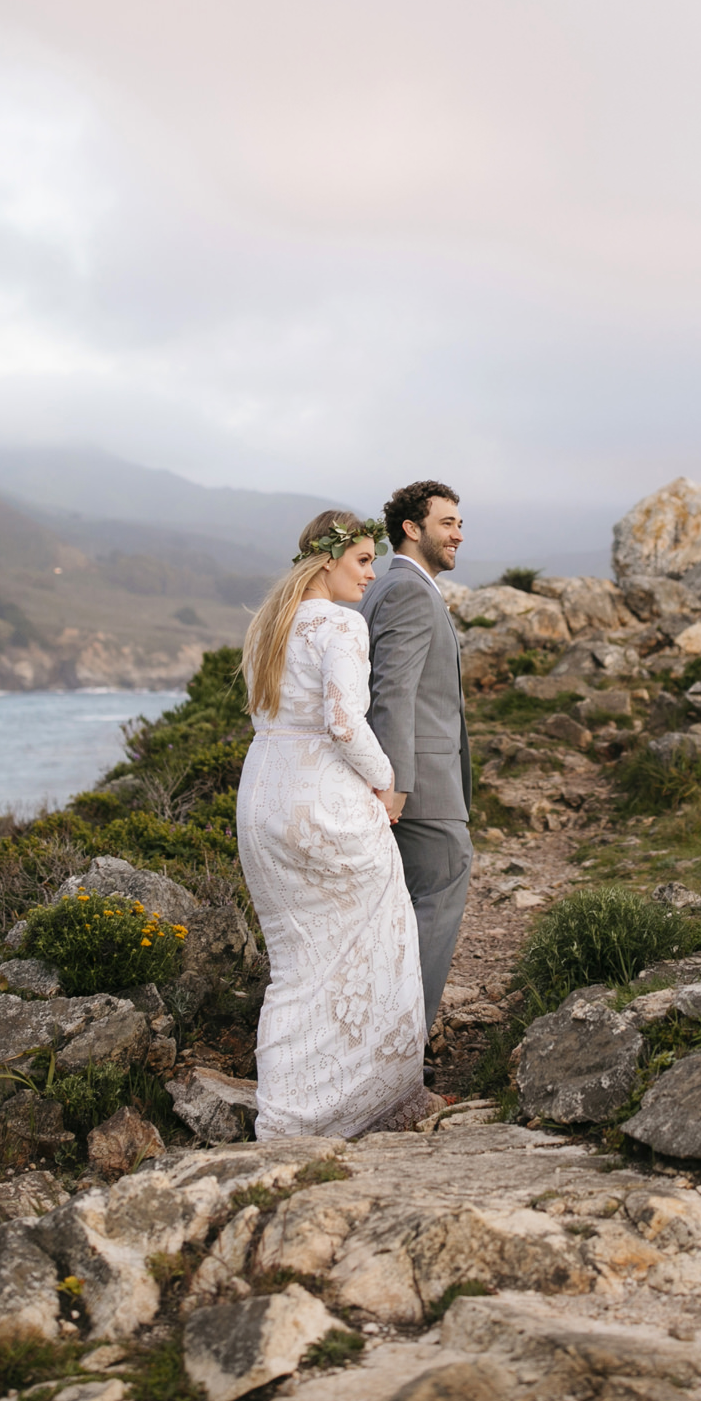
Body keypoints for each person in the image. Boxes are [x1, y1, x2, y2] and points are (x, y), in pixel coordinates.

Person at [234, 508, 433, 1138]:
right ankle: (369, 1105)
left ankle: (285, 1118)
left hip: (263, 799)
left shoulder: (272, 624)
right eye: (363, 561)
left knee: (294, 965)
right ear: (328, 560)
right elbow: (346, 723)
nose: (372, 575)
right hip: (325, 804)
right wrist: (385, 782)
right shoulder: (339, 624)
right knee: (378, 942)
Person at [358, 480, 472, 1046]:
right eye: (447, 522)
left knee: (400, 914)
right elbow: (392, 692)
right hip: (421, 786)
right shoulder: (407, 590)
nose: (458, 534)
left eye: (458, 524)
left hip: (413, 780)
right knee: (438, 897)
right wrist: (396, 782)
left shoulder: (383, 586)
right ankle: (404, 1050)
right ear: (412, 527)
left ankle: (381, 1043)